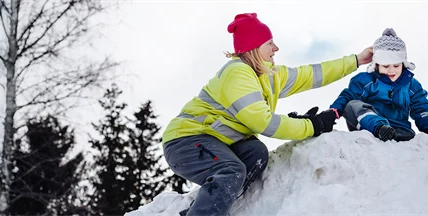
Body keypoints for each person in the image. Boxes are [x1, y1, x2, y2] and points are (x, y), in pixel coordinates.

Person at [160, 13, 373, 216]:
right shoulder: (238, 73)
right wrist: (313, 125)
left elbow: (312, 74)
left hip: (217, 141)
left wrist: (356, 60)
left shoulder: (268, 75)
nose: (276, 48)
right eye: (269, 43)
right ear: (254, 47)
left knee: (256, 153)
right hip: (185, 141)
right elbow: (264, 123)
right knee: (231, 170)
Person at [329, 28, 428, 142]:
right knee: (351, 104)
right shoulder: (366, 80)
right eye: (386, 66)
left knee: (418, 109)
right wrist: (333, 112)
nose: (391, 71)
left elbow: (421, 107)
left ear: (403, 64)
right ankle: (380, 128)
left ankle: (392, 132)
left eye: (396, 66)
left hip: (400, 130)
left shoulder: (411, 85)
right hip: (369, 126)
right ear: (377, 65)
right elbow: (348, 96)